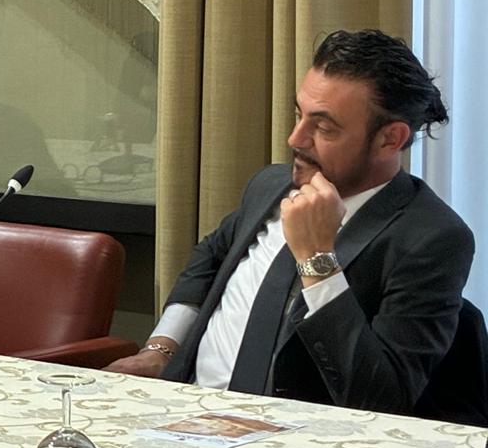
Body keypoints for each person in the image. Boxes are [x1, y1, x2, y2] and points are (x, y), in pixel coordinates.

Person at [107, 30, 475, 416]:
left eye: (324, 128)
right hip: (186, 412)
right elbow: (212, 255)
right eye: (299, 115)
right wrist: (162, 348)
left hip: (292, 436)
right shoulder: (270, 185)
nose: (295, 138)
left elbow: (381, 398)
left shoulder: (431, 238)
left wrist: (318, 260)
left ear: (390, 139)